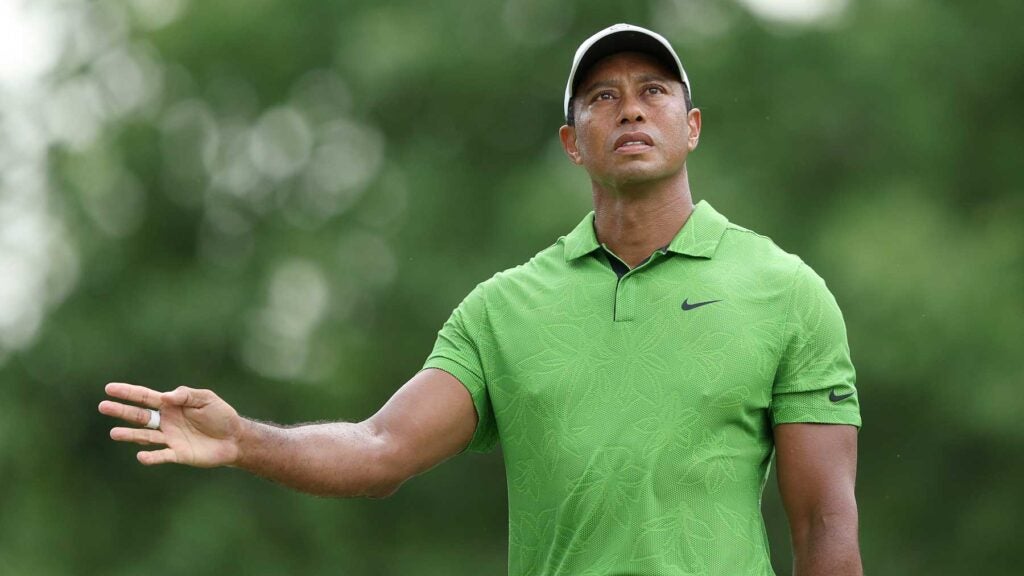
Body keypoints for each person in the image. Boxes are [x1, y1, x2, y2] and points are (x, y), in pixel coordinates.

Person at [100, 23, 862, 576]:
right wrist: (244, 440)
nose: (630, 110)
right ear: (572, 142)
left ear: (690, 128)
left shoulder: (784, 291)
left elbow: (824, 524)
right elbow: (380, 450)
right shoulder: (506, 309)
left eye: (653, 92)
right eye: (603, 96)